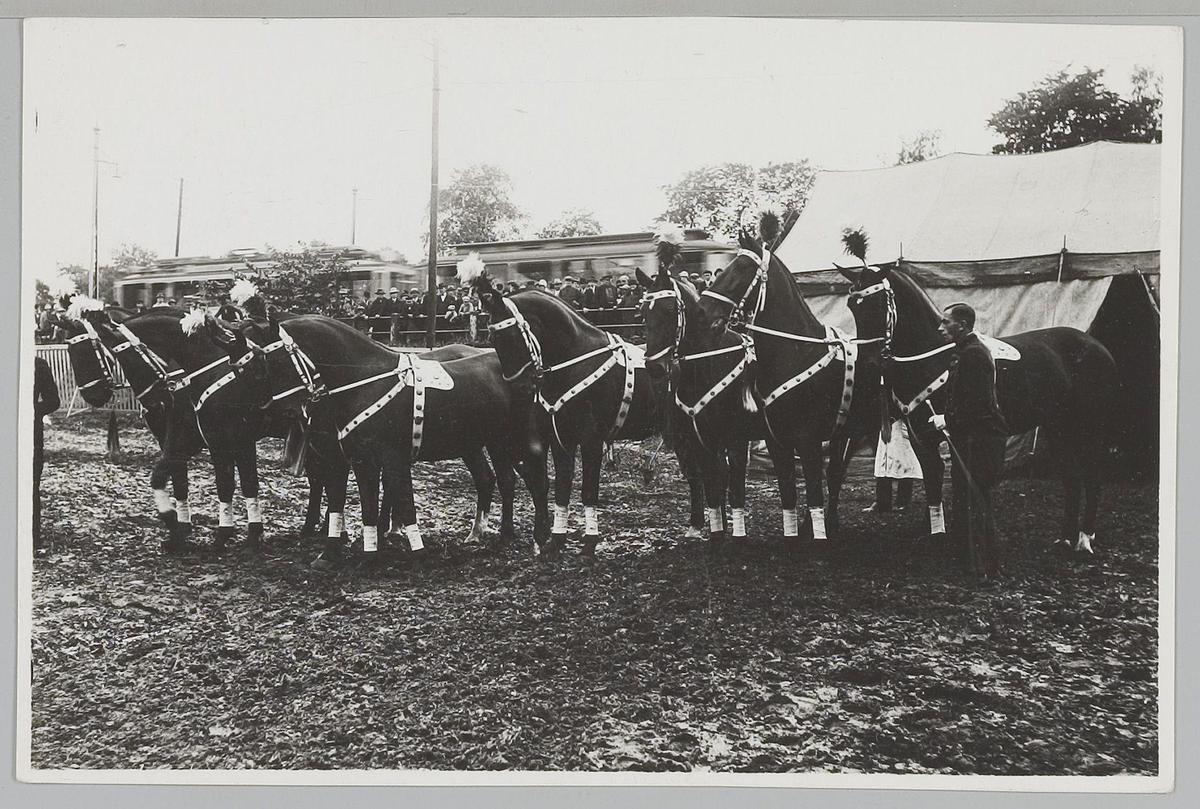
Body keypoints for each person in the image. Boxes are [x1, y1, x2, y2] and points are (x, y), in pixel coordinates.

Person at [930, 302, 1008, 583]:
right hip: (971, 438)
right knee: (967, 501)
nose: (941, 327)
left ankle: (984, 570)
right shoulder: (965, 351)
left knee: (975, 502)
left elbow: (978, 406)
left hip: (980, 440)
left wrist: (946, 420)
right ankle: (975, 567)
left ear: (962, 325)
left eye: (946, 322)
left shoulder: (974, 354)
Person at [865, 419, 920, 512]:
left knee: (904, 462)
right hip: (885, 423)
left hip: (901, 424)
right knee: (883, 462)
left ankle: (903, 502)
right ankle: (882, 502)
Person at [34, 355, 60, 548]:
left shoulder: (37, 364)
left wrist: (27, 410)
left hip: (28, 433)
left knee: (30, 484)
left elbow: (53, 401)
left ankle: (32, 538)